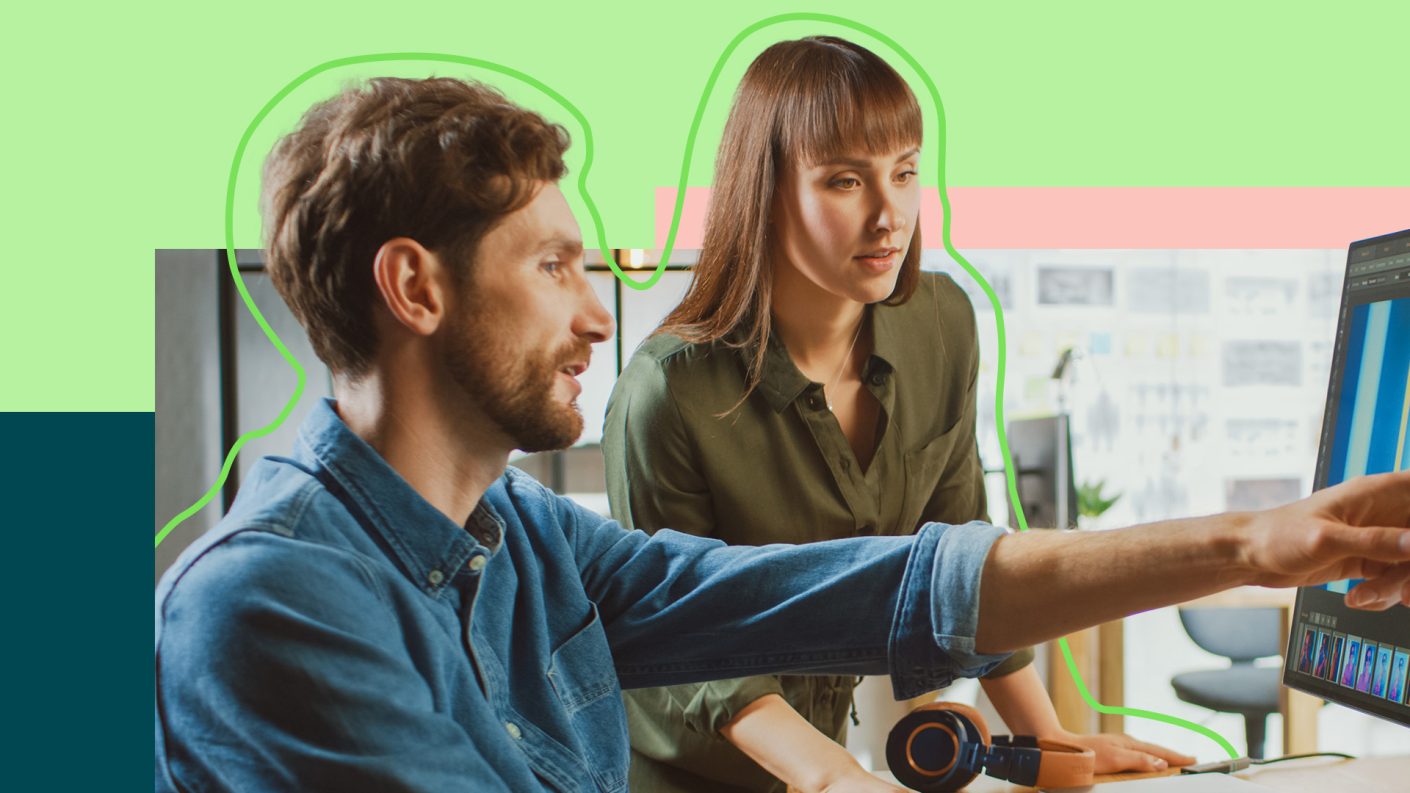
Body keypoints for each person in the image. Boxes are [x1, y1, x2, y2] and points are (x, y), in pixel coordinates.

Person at [152, 75, 1410, 793]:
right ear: (415, 288)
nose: (598, 313)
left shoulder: (517, 534)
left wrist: (1255, 543)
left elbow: (879, 585)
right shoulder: (275, 601)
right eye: (552, 266)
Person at [602, 37, 1191, 792]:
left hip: (830, 766)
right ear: (766, 190)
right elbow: (690, 639)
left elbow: (965, 559)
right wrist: (833, 777)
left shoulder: (941, 324)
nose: (889, 216)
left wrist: (1047, 741)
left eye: (905, 173)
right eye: (846, 181)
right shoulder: (667, 390)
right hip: (683, 776)